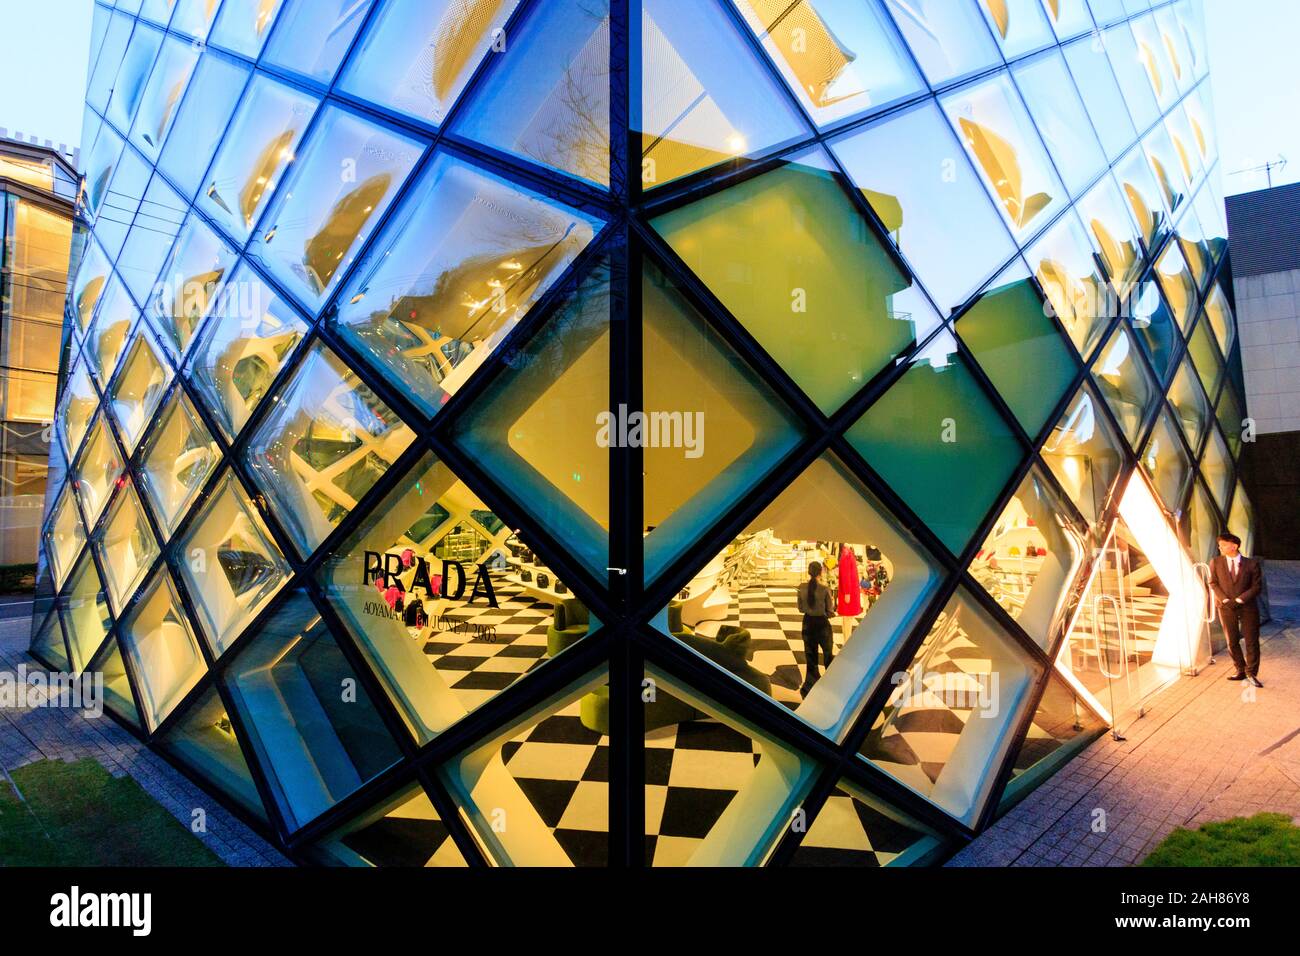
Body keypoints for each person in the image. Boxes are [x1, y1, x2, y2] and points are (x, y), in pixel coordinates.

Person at [1208, 532, 1263, 688]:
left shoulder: (1252, 564)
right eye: (1220, 545)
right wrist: (1225, 600)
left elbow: (1257, 587)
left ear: (1235, 546)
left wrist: (1240, 599)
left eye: (1224, 544)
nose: (1220, 547)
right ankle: (1240, 670)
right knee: (1232, 641)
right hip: (1225, 607)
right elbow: (1213, 583)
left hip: (1247, 607)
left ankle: (1251, 674)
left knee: (1251, 642)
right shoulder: (1216, 562)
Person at [798, 560, 835, 696]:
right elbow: (830, 611)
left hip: (807, 623)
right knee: (827, 655)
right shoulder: (825, 589)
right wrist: (829, 612)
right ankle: (830, 686)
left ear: (809, 571)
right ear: (821, 572)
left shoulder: (801, 587)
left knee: (810, 656)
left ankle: (810, 685)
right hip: (822, 624)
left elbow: (801, 609)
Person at [837, 544, 863, 646]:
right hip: (850, 592)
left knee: (847, 619)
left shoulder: (846, 553)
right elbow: (846, 575)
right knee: (848, 619)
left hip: (850, 591)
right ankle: (847, 642)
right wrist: (847, 592)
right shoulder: (846, 554)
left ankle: (846, 641)